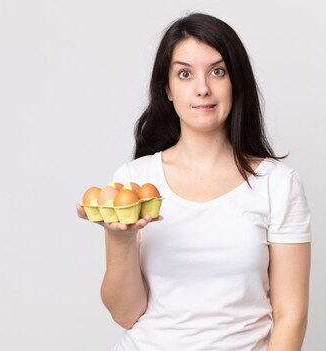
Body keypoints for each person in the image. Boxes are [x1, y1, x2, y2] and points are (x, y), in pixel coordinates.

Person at [76, 13, 312, 351]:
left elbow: (291, 315)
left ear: (236, 82)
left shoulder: (277, 184)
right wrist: (120, 240)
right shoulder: (135, 180)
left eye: (217, 71)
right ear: (167, 90)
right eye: (185, 74)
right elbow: (126, 314)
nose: (202, 88)